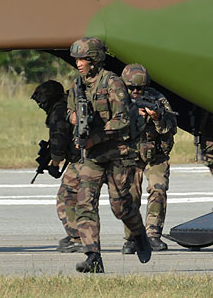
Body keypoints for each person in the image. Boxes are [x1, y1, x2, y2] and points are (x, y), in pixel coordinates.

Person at [67, 37, 151, 273]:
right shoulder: (78, 85)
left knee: (120, 207)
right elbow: (70, 109)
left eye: (83, 59)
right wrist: (73, 117)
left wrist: (98, 136)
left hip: (117, 155)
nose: (79, 64)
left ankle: (139, 234)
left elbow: (122, 120)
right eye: (77, 59)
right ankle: (93, 257)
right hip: (92, 157)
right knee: (84, 204)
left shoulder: (112, 83)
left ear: (94, 60)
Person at [120, 63, 177, 253]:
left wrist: (157, 118)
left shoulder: (157, 99)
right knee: (130, 195)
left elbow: (171, 127)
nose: (136, 91)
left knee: (158, 188)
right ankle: (131, 238)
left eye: (140, 88)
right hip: (129, 155)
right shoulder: (117, 99)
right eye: (132, 88)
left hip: (156, 154)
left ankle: (153, 235)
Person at [31, 80, 82, 253]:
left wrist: (55, 162)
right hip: (89, 158)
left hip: (82, 161)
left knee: (65, 198)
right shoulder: (65, 106)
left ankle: (77, 237)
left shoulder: (58, 112)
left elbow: (58, 139)